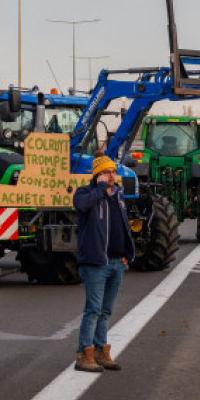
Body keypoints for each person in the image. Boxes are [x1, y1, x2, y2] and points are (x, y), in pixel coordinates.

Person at [72, 151, 136, 372]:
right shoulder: (85, 193)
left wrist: (127, 251)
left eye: (113, 172)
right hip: (96, 262)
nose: (111, 176)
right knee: (93, 309)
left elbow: (123, 225)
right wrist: (99, 189)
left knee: (106, 310)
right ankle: (84, 354)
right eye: (106, 172)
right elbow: (81, 205)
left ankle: (101, 352)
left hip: (117, 262)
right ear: (97, 174)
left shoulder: (117, 196)